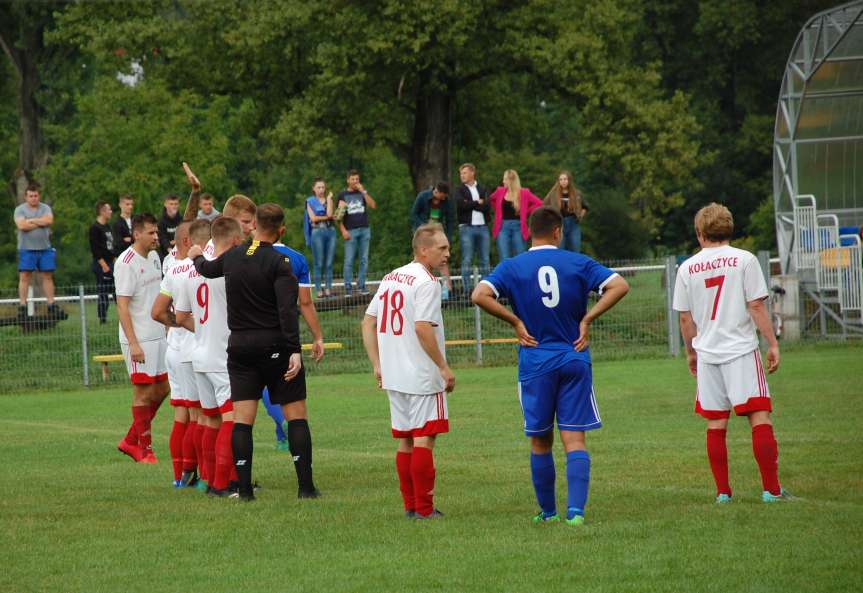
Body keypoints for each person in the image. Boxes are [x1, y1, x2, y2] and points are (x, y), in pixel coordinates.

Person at [472, 206, 630, 525]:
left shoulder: (513, 266)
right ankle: (576, 513)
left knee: (540, 440)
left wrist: (515, 320)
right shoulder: (577, 262)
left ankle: (548, 512)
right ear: (558, 231)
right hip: (574, 356)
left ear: (529, 231)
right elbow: (620, 286)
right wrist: (588, 318)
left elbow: (479, 294)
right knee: (575, 439)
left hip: (535, 362)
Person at [189, 203, 319, 501]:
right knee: (296, 415)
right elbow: (287, 311)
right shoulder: (280, 261)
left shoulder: (233, 256)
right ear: (281, 230)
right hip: (274, 345)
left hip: (239, 348)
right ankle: (306, 487)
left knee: (242, 420)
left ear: (253, 226)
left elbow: (207, 270)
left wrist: (196, 256)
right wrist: (294, 350)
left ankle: (245, 490)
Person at [673, 202, 791, 503]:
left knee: (716, 423)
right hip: (740, 350)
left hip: (708, 354)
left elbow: (685, 318)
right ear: (729, 228)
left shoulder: (687, 267)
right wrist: (772, 343)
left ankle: (723, 493)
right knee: (759, 416)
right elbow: (755, 305)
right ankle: (771, 490)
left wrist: (691, 352)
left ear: (700, 233)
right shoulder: (745, 260)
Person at [361, 223, 456, 519]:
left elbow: (368, 321)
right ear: (423, 249)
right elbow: (422, 327)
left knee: (405, 440)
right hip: (422, 375)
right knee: (424, 438)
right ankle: (425, 510)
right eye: (442, 248)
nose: (447, 254)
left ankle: (411, 507)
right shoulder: (427, 282)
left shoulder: (391, 277)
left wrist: (378, 364)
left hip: (394, 373)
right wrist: (443, 367)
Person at [176, 217, 243, 497]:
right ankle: (221, 485)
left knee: (209, 420)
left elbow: (180, 317)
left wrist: (204, 328)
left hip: (198, 351)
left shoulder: (187, 270)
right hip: (220, 354)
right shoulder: (228, 267)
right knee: (231, 418)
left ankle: (210, 480)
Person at [114, 213, 170, 464]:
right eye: (151, 233)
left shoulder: (156, 257)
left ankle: (130, 439)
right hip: (139, 340)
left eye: (157, 232)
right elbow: (122, 306)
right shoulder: (125, 262)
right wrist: (133, 343)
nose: (156, 237)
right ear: (137, 234)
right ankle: (144, 449)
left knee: (164, 389)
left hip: (158, 335)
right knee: (143, 393)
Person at [262, 239, 325, 452]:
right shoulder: (296, 258)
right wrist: (317, 336)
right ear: (281, 229)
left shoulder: (248, 255)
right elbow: (305, 302)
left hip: (255, 331)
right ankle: (282, 435)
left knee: (263, 384)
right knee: (286, 384)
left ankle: (283, 425)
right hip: (287, 333)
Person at [14, 183, 65, 320]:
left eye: (36, 195)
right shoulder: (20, 210)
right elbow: (21, 225)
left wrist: (31, 221)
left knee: (47, 276)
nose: (34, 198)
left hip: (45, 248)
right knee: (25, 276)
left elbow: (49, 220)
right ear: (26, 197)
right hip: (27, 249)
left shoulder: (45, 208)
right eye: (31, 196)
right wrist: (39, 222)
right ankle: (23, 305)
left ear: (39, 196)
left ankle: (51, 304)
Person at [410, 181, 454, 299]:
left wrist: (448, 237)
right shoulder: (422, 197)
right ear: (437, 192)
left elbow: (450, 220)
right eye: (442, 195)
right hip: (423, 232)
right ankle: (419, 286)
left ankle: (447, 289)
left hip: (438, 233)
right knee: (422, 258)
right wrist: (423, 227)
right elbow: (414, 214)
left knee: (442, 258)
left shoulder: (446, 202)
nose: (444, 198)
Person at [337, 169, 377, 297]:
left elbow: (373, 205)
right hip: (350, 231)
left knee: (364, 259)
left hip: (365, 229)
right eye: (353, 179)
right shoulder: (343, 195)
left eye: (357, 179)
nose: (355, 182)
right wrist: (343, 230)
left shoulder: (362, 193)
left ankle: (361, 285)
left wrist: (363, 191)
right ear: (348, 180)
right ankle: (348, 287)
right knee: (349, 260)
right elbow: (338, 216)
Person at [489, 169, 543, 260]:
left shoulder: (524, 192)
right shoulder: (500, 191)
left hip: (518, 227)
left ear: (511, 180)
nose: (503, 181)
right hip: (502, 227)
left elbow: (539, 203)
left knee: (520, 256)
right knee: (504, 257)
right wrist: (498, 211)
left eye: (505, 179)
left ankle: (521, 274)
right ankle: (506, 274)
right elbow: (490, 200)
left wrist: (525, 211)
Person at [455, 163, 491, 295]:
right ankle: (467, 291)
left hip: (483, 227)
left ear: (472, 173)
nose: (462, 176)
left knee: (485, 259)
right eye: (461, 173)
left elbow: (487, 206)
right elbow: (461, 206)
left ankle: (485, 290)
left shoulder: (482, 188)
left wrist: (470, 204)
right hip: (466, 228)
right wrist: (477, 202)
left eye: (464, 173)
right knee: (467, 259)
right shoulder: (459, 190)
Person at [303, 178, 336, 298]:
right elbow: (313, 219)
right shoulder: (309, 201)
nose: (321, 190)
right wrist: (326, 217)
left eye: (323, 187)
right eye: (319, 187)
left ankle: (328, 289)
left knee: (329, 263)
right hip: (317, 232)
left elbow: (329, 214)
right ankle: (318, 290)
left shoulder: (329, 199)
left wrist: (328, 200)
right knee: (319, 262)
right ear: (313, 189)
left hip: (330, 231)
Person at [544, 171, 588, 253]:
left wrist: (580, 216)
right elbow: (545, 206)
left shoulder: (577, 193)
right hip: (559, 224)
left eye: (565, 179)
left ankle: (574, 265)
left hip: (573, 223)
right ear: (558, 181)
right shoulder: (553, 194)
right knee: (560, 250)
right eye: (561, 179)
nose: (563, 181)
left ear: (569, 180)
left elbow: (585, 207)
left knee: (575, 249)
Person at [89, 201, 116, 324]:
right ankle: (102, 319)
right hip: (102, 265)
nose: (111, 212)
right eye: (109, 210)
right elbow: (95, 249)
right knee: (103, 292)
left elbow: (111, 246)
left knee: (117, 291)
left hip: (111, 262)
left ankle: (123, 315)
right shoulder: (95, 228)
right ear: (102, 211)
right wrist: (104, 265)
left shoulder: (107, 227)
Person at [157, 194, 182, 261]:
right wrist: (169, 248)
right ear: (165, 204)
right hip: (166, 254)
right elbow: (162, 238)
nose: (174, 206)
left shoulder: (182, 220)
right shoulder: (160, 222)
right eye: (171, 204)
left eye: (176, 204)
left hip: (181, 252)